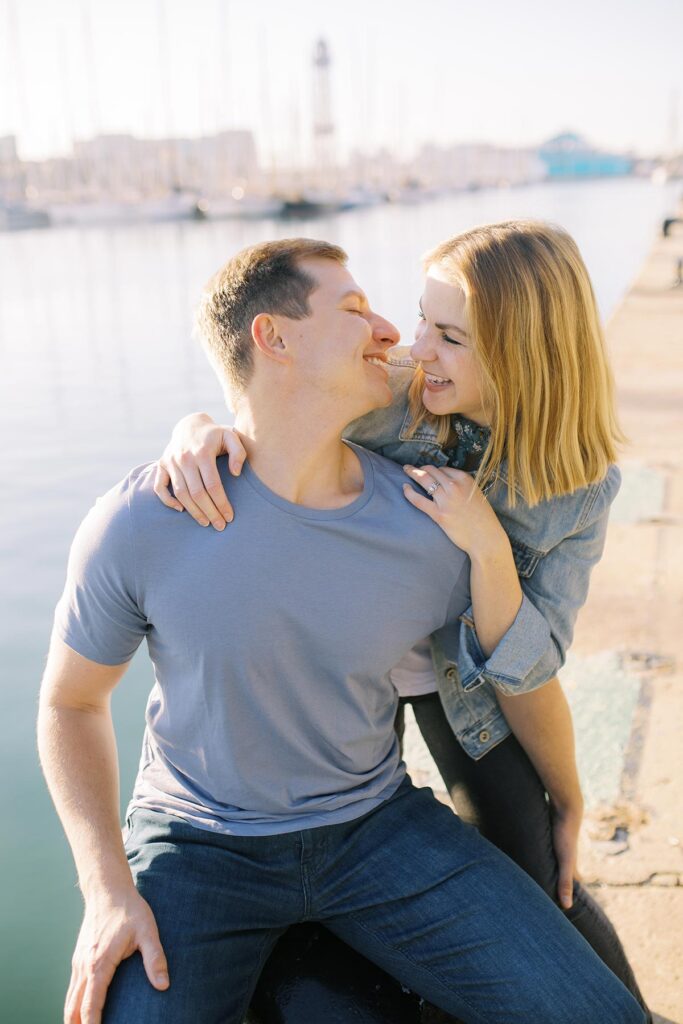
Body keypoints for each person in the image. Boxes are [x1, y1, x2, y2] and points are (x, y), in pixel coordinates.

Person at [37, 237, 646, 1024]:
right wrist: (105, 885)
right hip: (196, 843)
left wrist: (565, 793)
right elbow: (69, 704)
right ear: (276, 337)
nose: (398, 336)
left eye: (445, 335)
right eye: (361, 310)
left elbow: (523, 667)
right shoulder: (146, 519)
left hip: (374, 827)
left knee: (580, 978)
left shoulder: (437, 522)